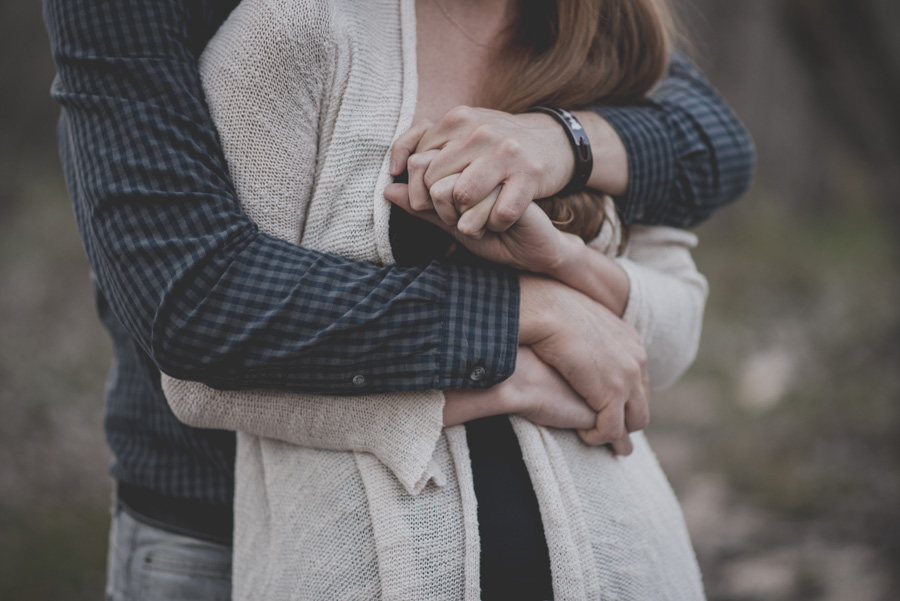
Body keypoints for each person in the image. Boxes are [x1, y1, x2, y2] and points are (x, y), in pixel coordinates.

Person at [42, 0, 754, 598]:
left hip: (624, 562)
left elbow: (680, 294)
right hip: (231, 516)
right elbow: (197, 320)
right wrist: (524, 340)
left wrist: (561, 189)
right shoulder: (298, 32)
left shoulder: (591, 36)